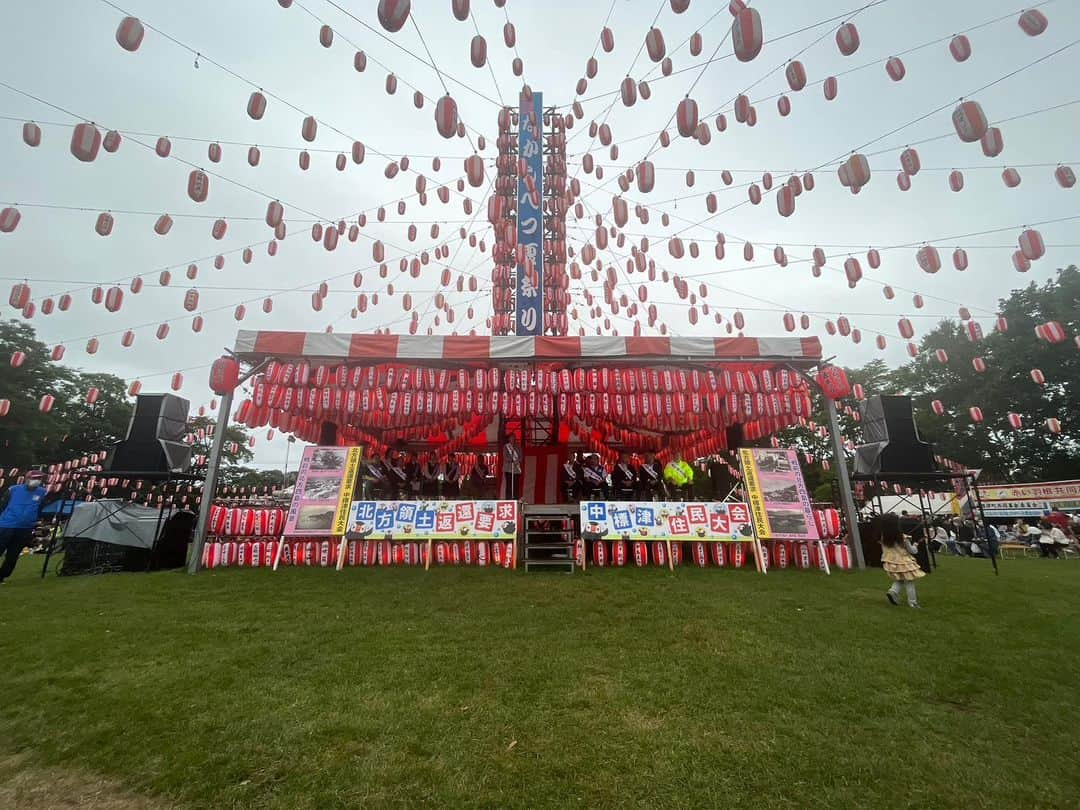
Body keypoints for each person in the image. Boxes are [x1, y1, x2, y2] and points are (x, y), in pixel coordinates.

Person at [0, 471, 52, 584]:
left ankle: (2, 576)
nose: (37, 480)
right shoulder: (13, 489)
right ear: (26, 478)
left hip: (25, 528)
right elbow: (2, 505)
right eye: (34, 478)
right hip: (6, 525)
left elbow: (40, 508)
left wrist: (36, 520)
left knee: (13, 556)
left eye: (39, 478)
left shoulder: (42, 492)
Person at [879, 512, 924, 608]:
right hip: (904, 562)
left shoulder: (883, 538)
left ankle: (893, 592)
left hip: (891, 563)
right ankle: (913, 602)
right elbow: (913, 551)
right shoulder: (903, 537)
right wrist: (916, 544)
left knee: (900, 579)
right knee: (910, 582)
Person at [502, 435, 523, 500]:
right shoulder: (506, 447)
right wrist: (512, 460)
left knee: (516, 485)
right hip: (508, 468)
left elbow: (521, 456)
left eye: (514, 438)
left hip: (516, 469)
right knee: (509, 484)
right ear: (508, 439)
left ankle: (516, 498)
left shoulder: (518, 447)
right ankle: (508, 499)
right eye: (511, 438)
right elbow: (505, 456)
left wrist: (518, 460)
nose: (513, 439)